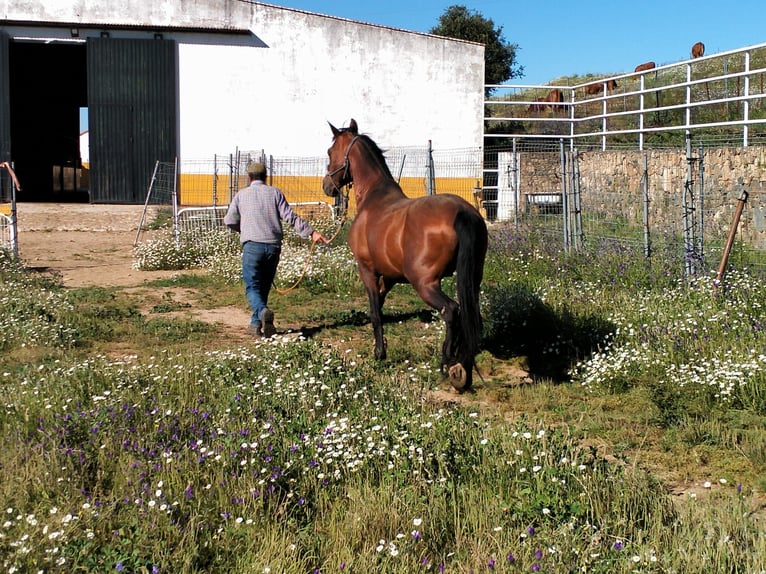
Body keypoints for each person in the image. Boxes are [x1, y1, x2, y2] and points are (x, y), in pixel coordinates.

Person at [224, 161, 329, 338]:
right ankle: (255, 324)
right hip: (273, 247)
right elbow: (290, 217)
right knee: (264, 286)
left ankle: (262, 311)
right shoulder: (275, 193)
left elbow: (229, 220)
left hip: (252, 246)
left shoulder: (241, 195)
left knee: (252, 286)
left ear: (249, 178)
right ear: (266, 177)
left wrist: (243, 228)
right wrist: (312, 233)